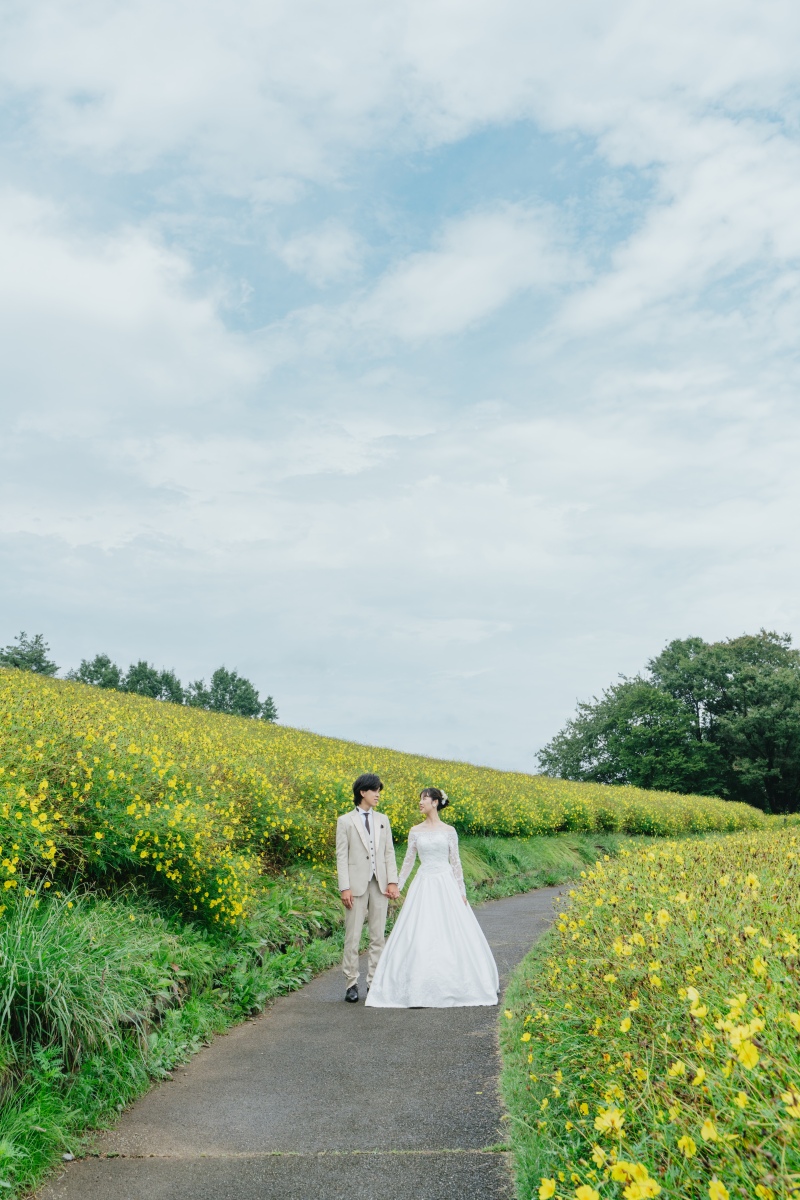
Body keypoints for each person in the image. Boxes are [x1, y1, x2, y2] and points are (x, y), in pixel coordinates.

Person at [365, 787, 499, 1008]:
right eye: (420, 799)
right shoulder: (415, 831)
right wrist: (397, 886)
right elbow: (408, 862)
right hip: (424, 882)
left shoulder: (449, 831)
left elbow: (456, 863)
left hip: (445, 883)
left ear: (436, 802)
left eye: (425, 799)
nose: (421, 802)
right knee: (420, 931)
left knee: (451, 932)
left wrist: (462, 892)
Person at [336, 773, 399, 1002]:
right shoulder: (345, 821)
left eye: (379, 790)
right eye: (374, 790)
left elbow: (389, 852)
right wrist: (345, 887)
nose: (378, 794)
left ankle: (374, 983)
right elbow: (341, 856)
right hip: (355, 886)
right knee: (352, 936)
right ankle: (351, 984)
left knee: (378, 936)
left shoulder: (383, 819)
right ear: (362, 792)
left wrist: (392, 881)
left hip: (380, 884)